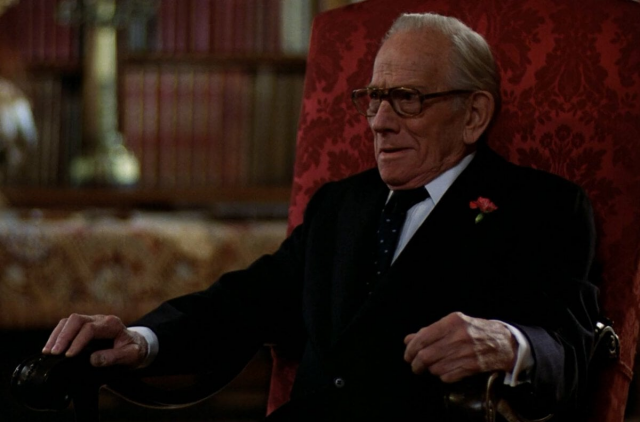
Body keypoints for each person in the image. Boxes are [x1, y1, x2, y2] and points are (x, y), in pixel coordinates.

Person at [43, 12, 599, 421]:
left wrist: (511, 344)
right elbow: (249, 301)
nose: (379, 122)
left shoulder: (541, 208)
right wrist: (142, 339)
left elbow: (573, 349)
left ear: (474, 114)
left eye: (407, 98)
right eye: (374, 97)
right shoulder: (342, 204)